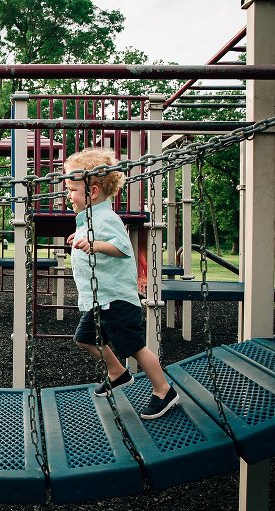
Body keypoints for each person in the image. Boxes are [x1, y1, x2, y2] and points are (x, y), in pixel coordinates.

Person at [64, 147, 178, 420]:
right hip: (97, 299)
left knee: (134, 346)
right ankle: (117, 372)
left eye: (71, 190)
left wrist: (96, 245)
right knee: (84, 339)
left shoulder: (106, 218)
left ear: (91, 193)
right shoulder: (90, 218)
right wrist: (79, 237)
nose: (68, 196)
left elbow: (123, 247)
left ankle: (164, 391)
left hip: (115, 299)